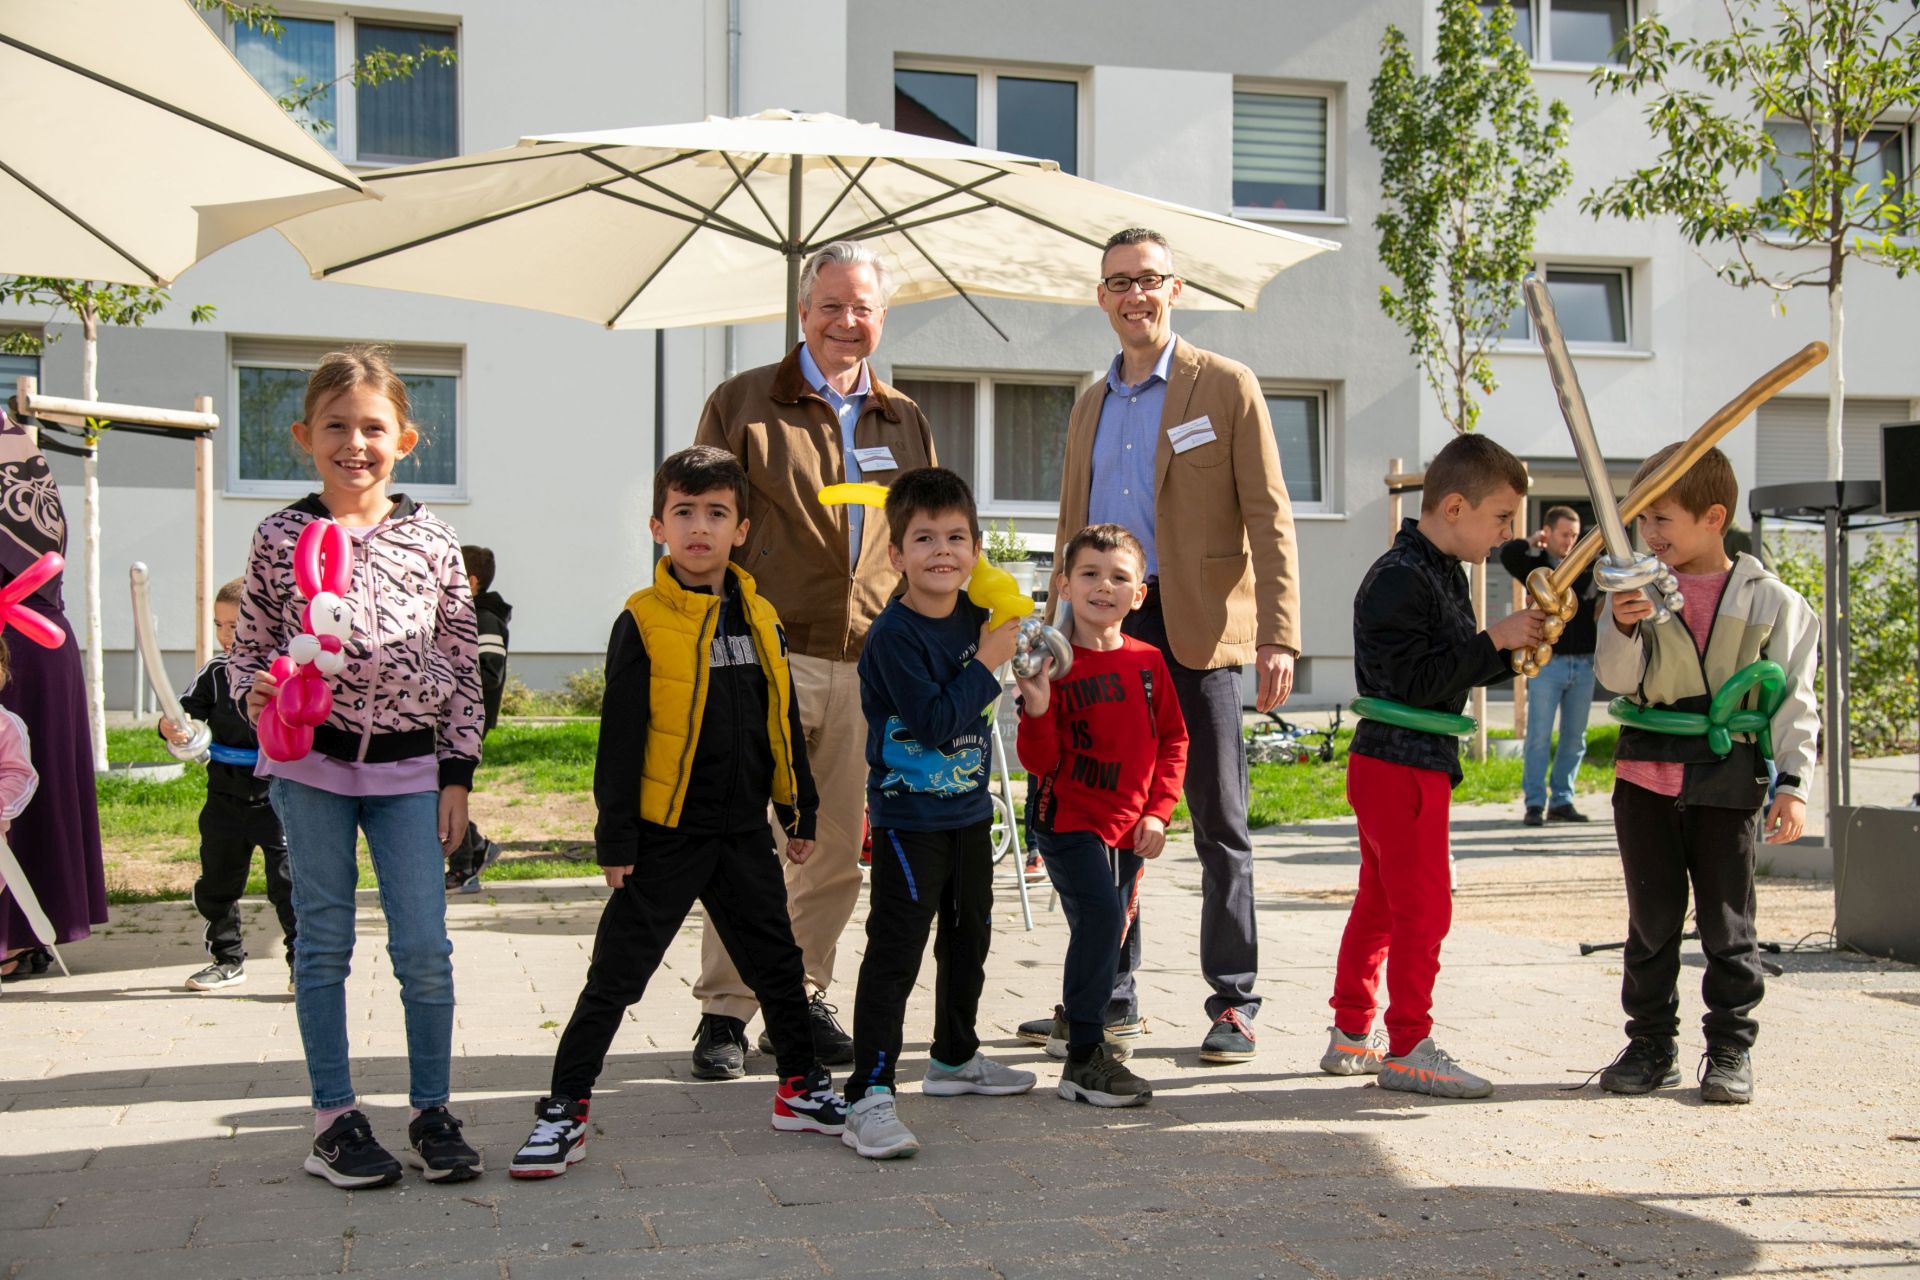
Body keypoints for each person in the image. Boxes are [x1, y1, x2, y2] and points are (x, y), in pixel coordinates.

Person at [508, 446, 845, 1179]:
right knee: (615, 977)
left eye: (716, 514)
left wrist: (799, 809)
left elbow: (780, 718)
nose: (700, 528)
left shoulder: (760, 614)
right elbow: (620, 737)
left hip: (742, 834)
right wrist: (616, 836)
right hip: (662, 837)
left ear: (741, 529)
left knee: (778, 968)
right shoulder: (642, 620)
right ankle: (565, 1110)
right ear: (658, 525)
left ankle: (801, 1089)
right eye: (684, 513)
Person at [1027, 227, 1302, 1065]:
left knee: (1219, 819)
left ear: (1174, 289)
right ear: (1101, 296)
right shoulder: (1089, 402)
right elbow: (1072, 528)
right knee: (1101, 814)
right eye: (1118, 283)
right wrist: (1052, 630)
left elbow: (1270, 514)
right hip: (1101, 632)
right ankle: (1109, 996)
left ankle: (1235, 1001)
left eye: (1148, 280)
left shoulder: (1223, 385)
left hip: (1201, 627)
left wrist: (1278, 634)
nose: (1133, 295)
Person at [230, 345, 484, 1189]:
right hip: (311, 772)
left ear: (407, 439)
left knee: (425, 949)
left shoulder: (434, 539)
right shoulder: (279, 537)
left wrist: (458, 775)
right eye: (336, 426)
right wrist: (259, 689)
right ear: (304, 435)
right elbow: (246, 651)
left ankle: (432, 1110)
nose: (355, 443)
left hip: (412, 773)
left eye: (373, 427)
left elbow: (463, 662)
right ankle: (333, 1119)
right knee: (324, 944)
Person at [691, 240, 936, 1079]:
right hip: (768, 653)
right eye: (830, 305)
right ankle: (725, 1011)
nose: (846, 321)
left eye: (862, 307)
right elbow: (705, 521)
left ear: (882, 316)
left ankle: (799, 992)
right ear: (802, 312)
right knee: (746, 837)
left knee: (834, 842)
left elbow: (926, 538)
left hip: (870, 655)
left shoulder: (904, 417)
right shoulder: (743, 402)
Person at [1320, 434, 1544, 1099]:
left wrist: (1506, 650)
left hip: (1405, 762)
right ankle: (1410, 1045)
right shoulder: (1399, 578)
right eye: (1500, 518)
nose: (1506, 533)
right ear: (1453, 506)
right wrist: (1495, 642)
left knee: (1382, 904)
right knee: (1424, 909)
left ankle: (1352, 1035)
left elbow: (1449, 668)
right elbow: (1415, 682)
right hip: (1402, 763)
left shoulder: (1436, 569)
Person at [1593, 445, 1817, 1106]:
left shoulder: (1771, 600)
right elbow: (1615, 679)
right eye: (1642, 522)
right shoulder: (1635, 591)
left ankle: (1730, 1046)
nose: (1650, 536)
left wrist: (1793, 784)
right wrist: (1622, 627)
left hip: (1726, 776)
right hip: (1644, 775)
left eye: (1663, 520)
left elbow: (1795, 697)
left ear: (1715, 516)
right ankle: (1651, 1043)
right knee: (1651, 918)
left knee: (1727, 922)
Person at [842, 468, 1035, 1160]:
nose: (942, 551)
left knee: (970, 937)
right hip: (906, 822)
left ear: (977, 549)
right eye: (923, 538)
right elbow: (929, 723)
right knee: (897, 952)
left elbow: (991, 706)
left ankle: (955, 1058)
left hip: (966, 814)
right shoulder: (894, 637)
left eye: (957, 537)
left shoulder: (976, 618)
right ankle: (867, 1093)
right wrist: (987, 661)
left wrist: (1016, 657)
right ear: (896, 555)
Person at [1014, 523, 1188, 1107]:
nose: (1103, 587)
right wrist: (1037, 709)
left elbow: (1173, 741)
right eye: (1089, 574)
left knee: (1107, 929)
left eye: (1119, 578)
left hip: (1129, 826)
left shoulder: (1148, 663)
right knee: (1098, 918)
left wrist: (1159, 812)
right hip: (1066, 819)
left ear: (1140, 594)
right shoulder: (1052, 665)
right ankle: (1086, 1057)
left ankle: (1075, 1021)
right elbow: (1037, 761)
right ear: (1064, 584)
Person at [0, 413, 106, 979]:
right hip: (33, 646)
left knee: (13, 787)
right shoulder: (17, 452)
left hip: (17, 652)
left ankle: (14, 938)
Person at [160, 577, 297, 992]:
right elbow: (183, 716)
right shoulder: (214, 673)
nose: (225, 635)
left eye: (234, 625)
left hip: (277, 798)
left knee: (289, 884)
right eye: (218, 625)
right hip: (224, 797)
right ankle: (227, 959)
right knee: (217, 882)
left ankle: (302, 963)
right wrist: (171, 728)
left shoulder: (284, 673)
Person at [1499, 506, 1599, 826]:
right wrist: (1531, 541)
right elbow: (1508, 554)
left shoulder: (1586, 566)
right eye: (1565, 533)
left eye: (1574, 534)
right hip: (1548, 665)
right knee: (1539, 735)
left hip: (1584, 664)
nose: (1571, 540)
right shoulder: (1536, 566)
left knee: (1575, 737)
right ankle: (1534, 802)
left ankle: (1562, 800)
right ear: (1549, 533)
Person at [444, 545, 511, 893]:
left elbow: (490, 671)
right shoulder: (467, 615)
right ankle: (477, 848)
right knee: (438, 790)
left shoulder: (485, 618)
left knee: (446, 789)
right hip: (454, 717)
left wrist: (450, 680)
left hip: (470, 719)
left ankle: (465, 866)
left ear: (471, 582)